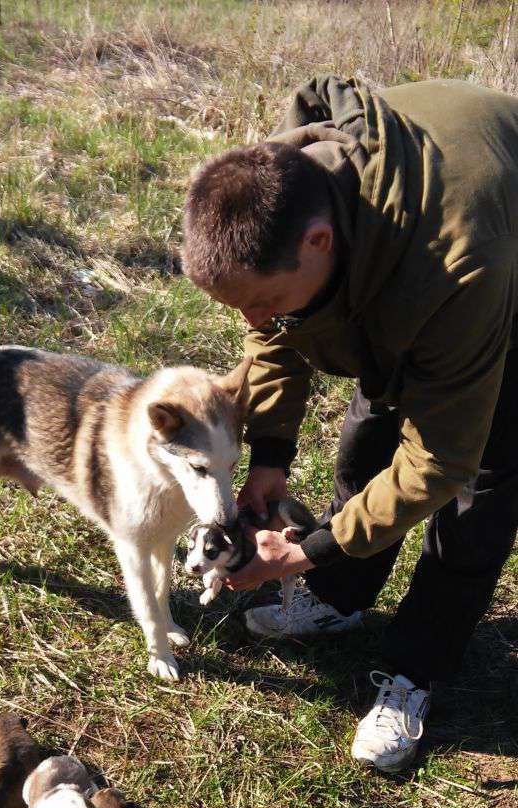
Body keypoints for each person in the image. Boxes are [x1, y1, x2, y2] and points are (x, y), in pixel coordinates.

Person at [181, 74, 518, 772]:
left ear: (320, 242)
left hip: (501, 275)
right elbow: (274, 333)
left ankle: (416, 668)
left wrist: (304, 550)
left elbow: (440, 461)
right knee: (370, 427)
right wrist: (270, 453)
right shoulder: (275, 187)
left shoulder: (458, 268)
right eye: (240, 308)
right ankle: (341, 595)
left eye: (266, 301)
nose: (255, 323)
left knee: (479, 487)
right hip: (408, 252)